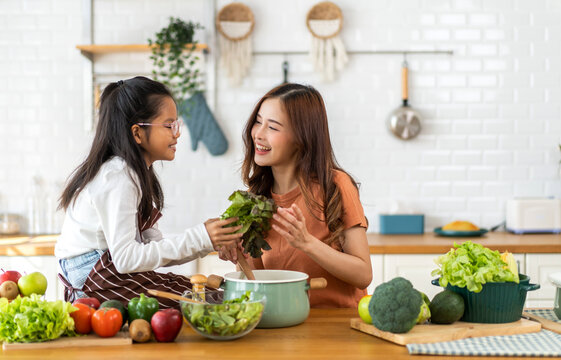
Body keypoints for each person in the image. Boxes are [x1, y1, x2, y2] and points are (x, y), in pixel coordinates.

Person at [55, 76, 241, 307]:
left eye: (177, 124)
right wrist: (201, 236)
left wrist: (209, 241)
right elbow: (126, 259)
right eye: (169, 125)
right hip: (94, 279)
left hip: (106, 271)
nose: (177, 133)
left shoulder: (136, 173)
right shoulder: (118, 176)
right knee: (210, 302)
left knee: (203, 295)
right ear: (137, 133)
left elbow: (152, 251)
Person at [241, 83, 372, 308]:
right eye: (258, 122)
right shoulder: (257, 199)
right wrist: (238, 254)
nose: (258, 134)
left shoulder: (335, 186)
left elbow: (363, 275)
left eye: (272, 127)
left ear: (302, 137)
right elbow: (258, 283)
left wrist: (306, 243)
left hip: (339, 326)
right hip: (285, 322)